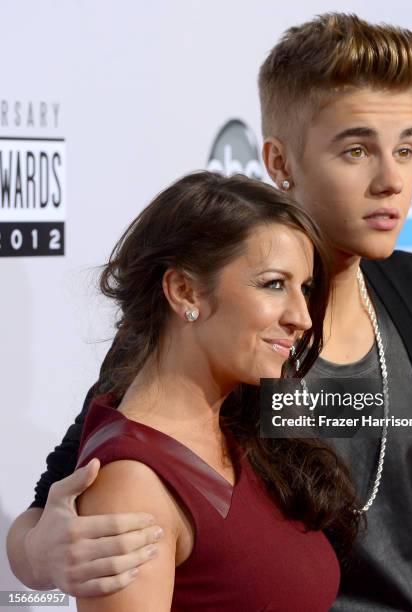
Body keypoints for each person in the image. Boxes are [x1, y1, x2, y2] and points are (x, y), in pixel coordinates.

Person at [6, 12, 412, 612]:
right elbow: (57, 499)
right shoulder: (220, 330)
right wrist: (40, 554)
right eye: (357, 149)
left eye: (408, 147)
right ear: (280, 162)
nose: (392, 179)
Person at [52, 170, 360, 610]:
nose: (302, 316)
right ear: (185, 291)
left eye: (304, 288)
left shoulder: (249, 424)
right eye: (274, 284)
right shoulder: (132, 485)